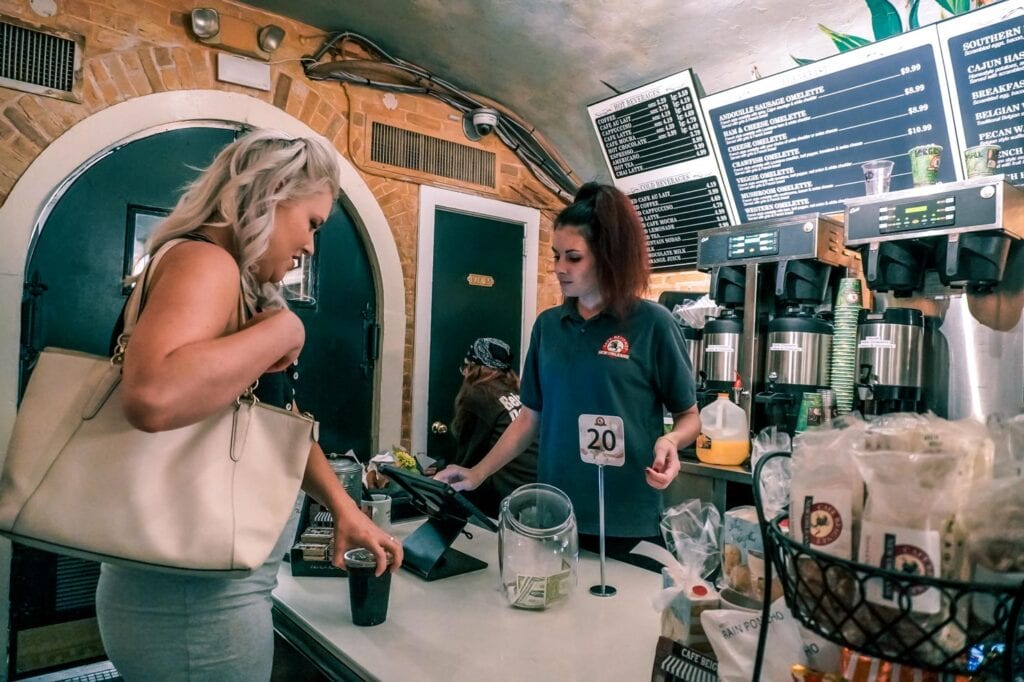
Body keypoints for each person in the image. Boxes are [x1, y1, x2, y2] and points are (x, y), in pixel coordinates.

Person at [95, 129, 402, 681]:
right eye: (311, 223)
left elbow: (260, 424)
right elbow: (152, 397)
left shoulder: (222, 274)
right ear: (273, 191)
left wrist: (343, 507)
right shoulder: (204, 261)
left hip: (193, 592)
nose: (310, 245)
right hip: (194, 606)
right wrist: (282, 328)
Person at [436, 182, 700, 567]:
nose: (560, 268)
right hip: (555, 517)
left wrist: (672, 441)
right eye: (556, 255)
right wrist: (476, 474)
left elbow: (690, 416)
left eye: (573, 257)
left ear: (607, 257)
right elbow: (529, 417)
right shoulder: (548, 326)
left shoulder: (652, 324)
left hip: (626, 517)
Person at [449, 337, 538, 517]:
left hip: (503, 498)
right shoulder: (517, 391)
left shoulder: (478, 395)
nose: (465, 372)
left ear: (478, 368)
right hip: (532, 493)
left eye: (467, 366)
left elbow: (469, 458)